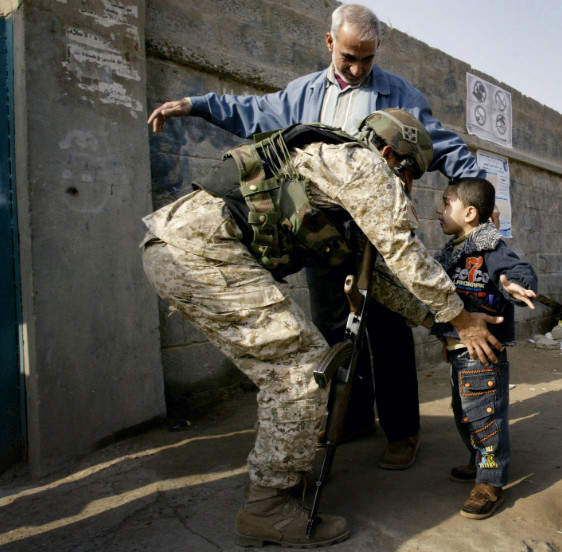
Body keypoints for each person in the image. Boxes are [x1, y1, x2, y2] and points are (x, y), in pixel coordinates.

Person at [147, 3, 486, 471]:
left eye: (367, 59)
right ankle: (350, 418)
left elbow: (442, 151)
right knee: (334, 329)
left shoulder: (399, 96)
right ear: (330, 43)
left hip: (370, 231)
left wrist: (479, 212)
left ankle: (402, 431)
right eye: (349, 56)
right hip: (318, 232)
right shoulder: (303, 93)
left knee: (386, 330)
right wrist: (195, 105)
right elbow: (250, 112)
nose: (357, 67)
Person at [141, 110, 502, 547]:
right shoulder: (363, 164)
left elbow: (380, 278)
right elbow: (405, 254)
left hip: (183, 249)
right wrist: (460, 320)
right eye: (408, 173)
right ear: (389, 153)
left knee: (291, 364)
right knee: (298, 370)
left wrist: (434, 320)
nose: (406, 186)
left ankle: (280, 483)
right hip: (199, 254)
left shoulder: (330, 173)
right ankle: (266, 507)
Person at [430, 178, 537, 520]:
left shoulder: (490, 245)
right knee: (465, 416)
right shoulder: (451, 251)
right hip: (461, 351)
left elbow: (517, 270)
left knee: (485, 420)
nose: (439, 210)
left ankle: (491, 481)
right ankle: (480, 462)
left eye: (446, 203)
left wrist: (516, 286)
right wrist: (447, 340)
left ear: (470, 212)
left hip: (483, 355)